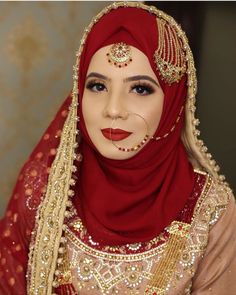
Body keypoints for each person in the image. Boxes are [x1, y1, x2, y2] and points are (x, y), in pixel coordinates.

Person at [0, 2, 235, 295]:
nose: (113, 110)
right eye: (98, 86)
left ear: (174, 103)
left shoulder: (211, 211)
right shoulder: (42, 190)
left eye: (140, 89)